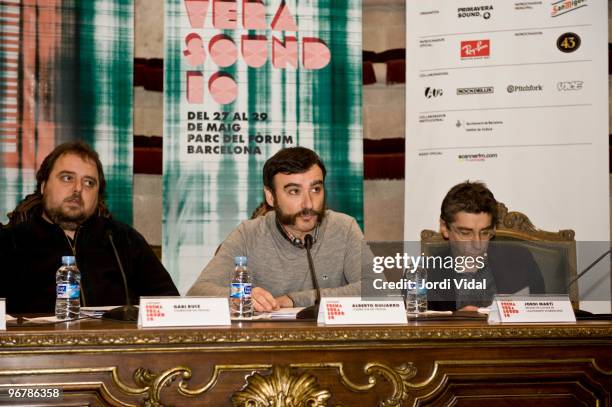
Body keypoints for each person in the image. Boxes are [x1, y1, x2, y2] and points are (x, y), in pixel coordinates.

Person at [0, 141, 178, 314]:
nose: (77, 189)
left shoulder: (123, 239)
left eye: (89, 183)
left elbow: (169, 304)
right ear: (44, 186)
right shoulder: (10, 243)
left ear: (98, 195)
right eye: (67, 178)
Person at [188, 146, 366, 311]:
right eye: (294, 191)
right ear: (271, 197)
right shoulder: (248, 234)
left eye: (316, 189)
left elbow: (374, 288)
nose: (309, 204)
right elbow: (198, 292)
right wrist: (238, 296)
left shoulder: (344, 227)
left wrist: (294, 300)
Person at [427, 181, 545, 311]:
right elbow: (415, 327)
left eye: (484, 232)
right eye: (465, 233)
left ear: (494, 228)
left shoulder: (521, 261)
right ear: (444, 227)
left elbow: (544, 318)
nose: (477, 244)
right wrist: (457, 322)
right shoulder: (424, 274)